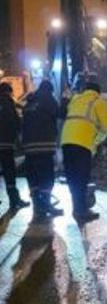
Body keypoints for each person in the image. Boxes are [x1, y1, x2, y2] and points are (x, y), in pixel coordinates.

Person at [61, 79, 107, 223]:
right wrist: (95, 142)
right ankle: (81, 211)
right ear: (98, 92)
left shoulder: (76, 99)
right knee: (81, 178)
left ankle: (77, 208)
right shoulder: (97, 101)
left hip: (66, 141)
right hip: (82, 144)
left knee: (72, 178)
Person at [22, 80, 64, 222]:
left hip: (28, 147)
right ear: (50, 89)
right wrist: (65, 100)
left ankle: (37, 206)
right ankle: (46, 205)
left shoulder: (29, 103)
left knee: (33, 176)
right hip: (43, 146)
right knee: (46, 177)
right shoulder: (48, 98)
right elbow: (59, 113)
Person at [0, 82, 29, 210]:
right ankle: (14, 201)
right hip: (6, 144)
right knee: (9, 174)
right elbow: (16, 122)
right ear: (9, 92)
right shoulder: (9, 103)